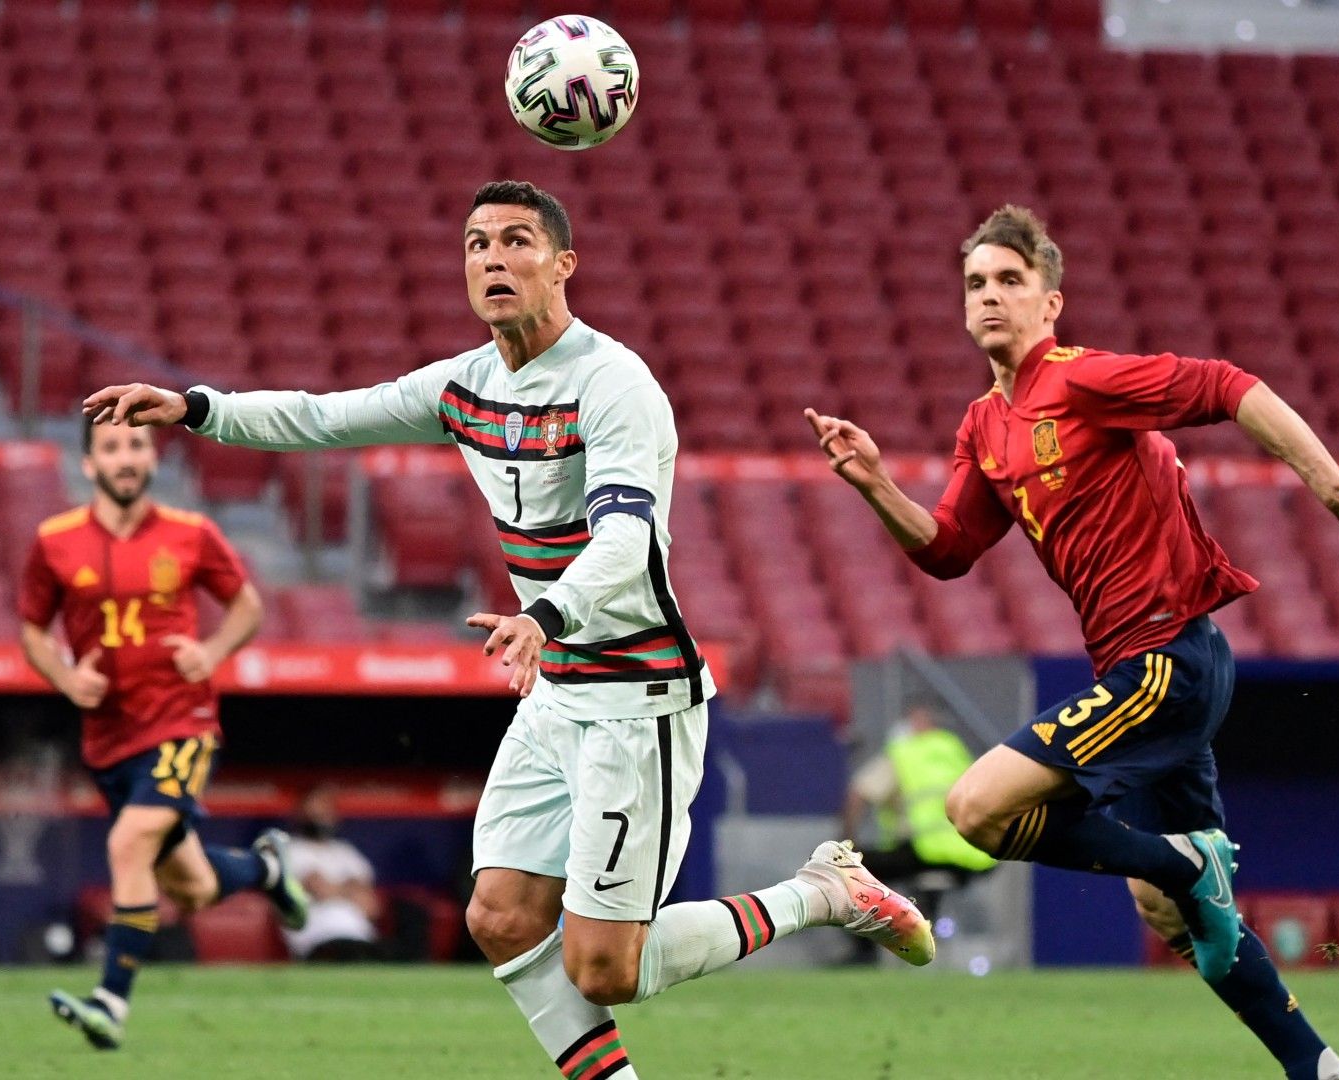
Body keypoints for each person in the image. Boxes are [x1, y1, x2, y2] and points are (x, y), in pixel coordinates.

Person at [83, 180, 934, 1079]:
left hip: (634, 695)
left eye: (517, 241)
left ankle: (822, 892)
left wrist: (544, 614)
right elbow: (325, 415)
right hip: (556, 686)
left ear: (563, 265)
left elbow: (628, 536)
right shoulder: (466, 384)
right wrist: (196, 407)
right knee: (498, 916)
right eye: (477, 244)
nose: (493, 259)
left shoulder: (615, 384)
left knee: (607, 968)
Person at [808, 205, 1339, 1080]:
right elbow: (948, 552)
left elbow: (1232, 387)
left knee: (975, 810)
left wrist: (1333, 485)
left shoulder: (1085, 381)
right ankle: (1320, 1067)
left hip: (1170, 659)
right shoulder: (984, 426)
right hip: (1142, 670)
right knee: (1170, 913)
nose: (991, 297)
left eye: (1011, 281)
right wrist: (874, 484)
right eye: (977, 284)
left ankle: (1186, 867)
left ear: (1051, 303)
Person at [18, 418, 306, 1051]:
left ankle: (109, 1004)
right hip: (108, 737)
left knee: (129, 842)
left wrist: (211, 653)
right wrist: (66, 679)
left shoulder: (191, 533)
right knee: (193, 886)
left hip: (182, 721)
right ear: (90, 465)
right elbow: (34, 630)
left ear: (152, 457)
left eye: (137, 445)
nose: (126, 457)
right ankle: (265, 868)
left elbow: (248, 607)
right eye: (113, 448)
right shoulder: (55, 542)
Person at [841, 697, 995, 959]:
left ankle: (864, 953)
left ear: (914, 720)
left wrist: (846, 842)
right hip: (974, 856)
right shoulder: (955, 752)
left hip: (924, 851)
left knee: (847, 874)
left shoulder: (906, 753)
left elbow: (859, 795)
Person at [282, 784, 383, 962]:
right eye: (315, 809)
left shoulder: (346, 852)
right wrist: (349, 889)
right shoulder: (290, 849)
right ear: (301, 813)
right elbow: (320, 889)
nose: (322, 815)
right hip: (318, 940)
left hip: (362, 938)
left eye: (326, 808)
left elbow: (370, 905)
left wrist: (337, 890)